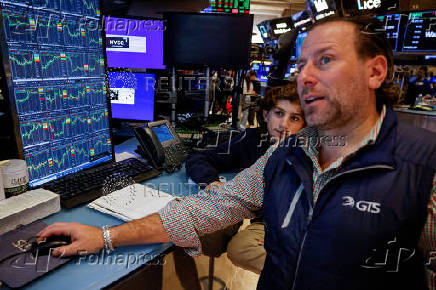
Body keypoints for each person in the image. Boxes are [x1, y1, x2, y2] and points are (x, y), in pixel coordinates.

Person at [38, 16, 436, 290]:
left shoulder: (425, 167)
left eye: (326, 60)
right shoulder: (287, 155)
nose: (305, 76)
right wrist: (104, 236)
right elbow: (205, 209)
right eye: (301, 65)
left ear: (376, 72)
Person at [186, 82, 305, 274]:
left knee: (243, 248)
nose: (284, 124)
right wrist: (211, 183)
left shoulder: (309, 151)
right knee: (222, 239)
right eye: (279, 113)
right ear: (266, 114)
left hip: (295, 225)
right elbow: (198, 158)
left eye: (295, 118)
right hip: (259, 219)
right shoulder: (252, 139)